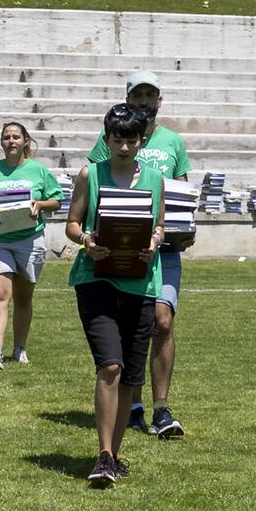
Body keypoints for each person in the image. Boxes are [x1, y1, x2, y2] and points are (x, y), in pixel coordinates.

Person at [84, 70, 191, 438]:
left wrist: (182, 229)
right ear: (128, 99)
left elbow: (182, 194)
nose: (144, 101)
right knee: (130, 329)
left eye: (150, 95)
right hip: (117, 252)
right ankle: (133, 404)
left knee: (163, 320)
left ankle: (161, 408)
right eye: (137, 95)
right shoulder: (110, 138)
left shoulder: (173, 142)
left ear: (159, 101)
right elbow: (93, 187)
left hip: (161, 249)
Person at [66, 104, 166, 485]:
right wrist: (87, 241)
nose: (124, 147)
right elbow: (72, 224)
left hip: (142, 284)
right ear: (106, 139)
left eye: (131, 140)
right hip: (97, 281)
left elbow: (159, 226)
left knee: (130, 378)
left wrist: (155, 241)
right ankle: (104, 454)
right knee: (110, 365)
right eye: (117, 139)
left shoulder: (155, 179)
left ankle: (115, 455)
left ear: (142, 141)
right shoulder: (89, 174)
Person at [0, 120, 62, 369]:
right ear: (1, 143)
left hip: (29, 240)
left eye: (15, 137)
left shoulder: (39, 170)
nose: (11, 141)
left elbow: (56, 199)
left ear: (25, 141)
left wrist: (39, 205)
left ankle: (19, 348)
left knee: (23, 298)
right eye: (6, 137)